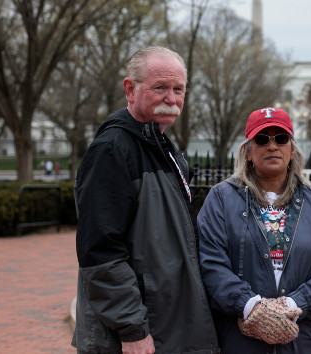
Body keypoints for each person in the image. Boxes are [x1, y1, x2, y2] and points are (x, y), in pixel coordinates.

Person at [72, 46, 218, 353]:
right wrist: (132, 329)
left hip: (167, 326)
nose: (171, 98)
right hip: (136, 336)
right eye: (160, 88)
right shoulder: (112, 150)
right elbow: (101, 253)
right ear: (130, 89)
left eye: (178, 89)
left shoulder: (162, 148)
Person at [198, 107, 311, 353]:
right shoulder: (221, 199)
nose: (272, 146)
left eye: (281, 138)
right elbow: (210, 264)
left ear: (292, 151)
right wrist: (251, 308)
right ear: (248, 152)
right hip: (239, 341)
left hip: (303, 341)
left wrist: (291, 306)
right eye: (261, 139)